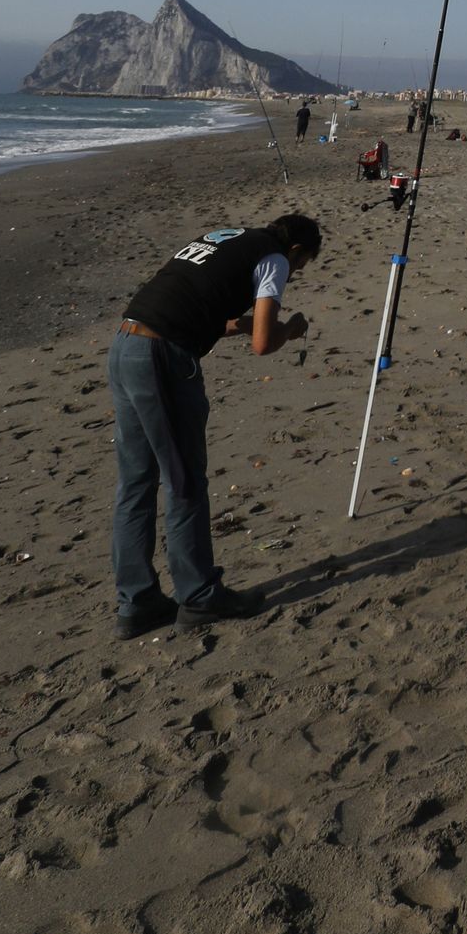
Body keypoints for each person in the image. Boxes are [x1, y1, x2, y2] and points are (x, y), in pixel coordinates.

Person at [109, 211, 322, 636]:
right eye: (301, 265)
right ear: (295, 250)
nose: (294, 273)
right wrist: (290, 330)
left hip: (126, 344)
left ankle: (137, 601)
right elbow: (264, 344)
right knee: (184, 481)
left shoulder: (227, 239)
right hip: (162, 358)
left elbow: (215, 316)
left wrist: (253, 327)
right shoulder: (274, 259)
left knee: (136, 483)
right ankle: (200, 596)